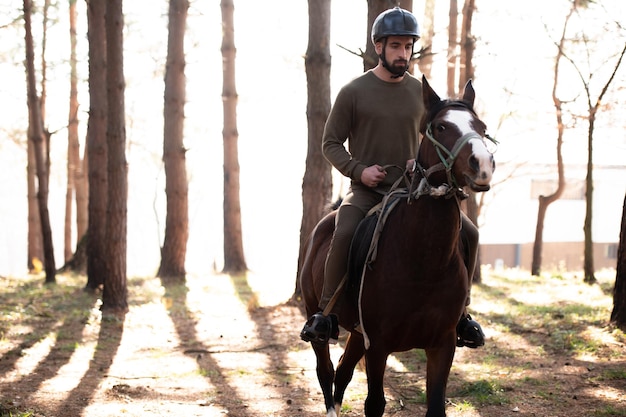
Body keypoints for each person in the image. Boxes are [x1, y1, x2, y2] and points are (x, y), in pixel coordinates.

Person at [300, 7, 485, 348]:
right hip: (367, 192)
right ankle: (326, 315)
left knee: (469, 232)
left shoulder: (421, 93)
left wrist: (422, 160)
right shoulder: (353, 91)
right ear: (379, 47)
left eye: (408, 46)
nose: (403, 53)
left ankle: (461, 314)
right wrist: (360, 170)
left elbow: (433, 138)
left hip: (413, 191)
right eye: (396, 46)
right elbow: (329, 143)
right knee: (343, 231)